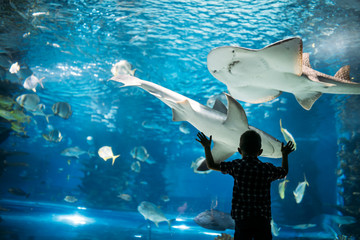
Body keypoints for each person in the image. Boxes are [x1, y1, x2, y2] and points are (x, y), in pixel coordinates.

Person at [196, 130, 295, 240]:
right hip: (262, 218)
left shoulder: (237, 166)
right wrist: (285, 155)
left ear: (239, 150)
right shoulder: (266, 168)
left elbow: (211, 165)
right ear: (260, 151)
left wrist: (207, 147)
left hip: (242, 217)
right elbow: (284, 171)